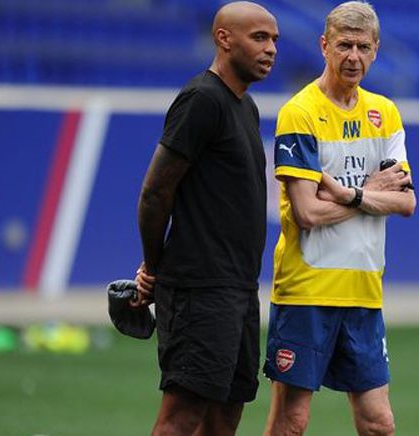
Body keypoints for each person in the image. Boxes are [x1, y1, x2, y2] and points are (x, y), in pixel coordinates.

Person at [262, 2, 415, 435]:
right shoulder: (301, 112)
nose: (353, 57)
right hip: (307, 291)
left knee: (379, 424)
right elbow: (308, 212)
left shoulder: (384, 112)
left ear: (376, 50)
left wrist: (351, 193)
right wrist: (371, 195)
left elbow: (406, 203)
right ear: (323, 46)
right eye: (344, 45)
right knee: (291, 422)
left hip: (364, 294)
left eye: (363, 47)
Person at [132, 2, 278, 435]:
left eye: (274, 40)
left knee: (225, 415)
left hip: (238, 288)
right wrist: (154, 267)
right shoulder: (202, 99)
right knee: (182, 417)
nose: (271, 49)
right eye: (259, 38)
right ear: (224, 38)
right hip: (200, 288)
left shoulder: (245, 108)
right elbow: (155, 191)